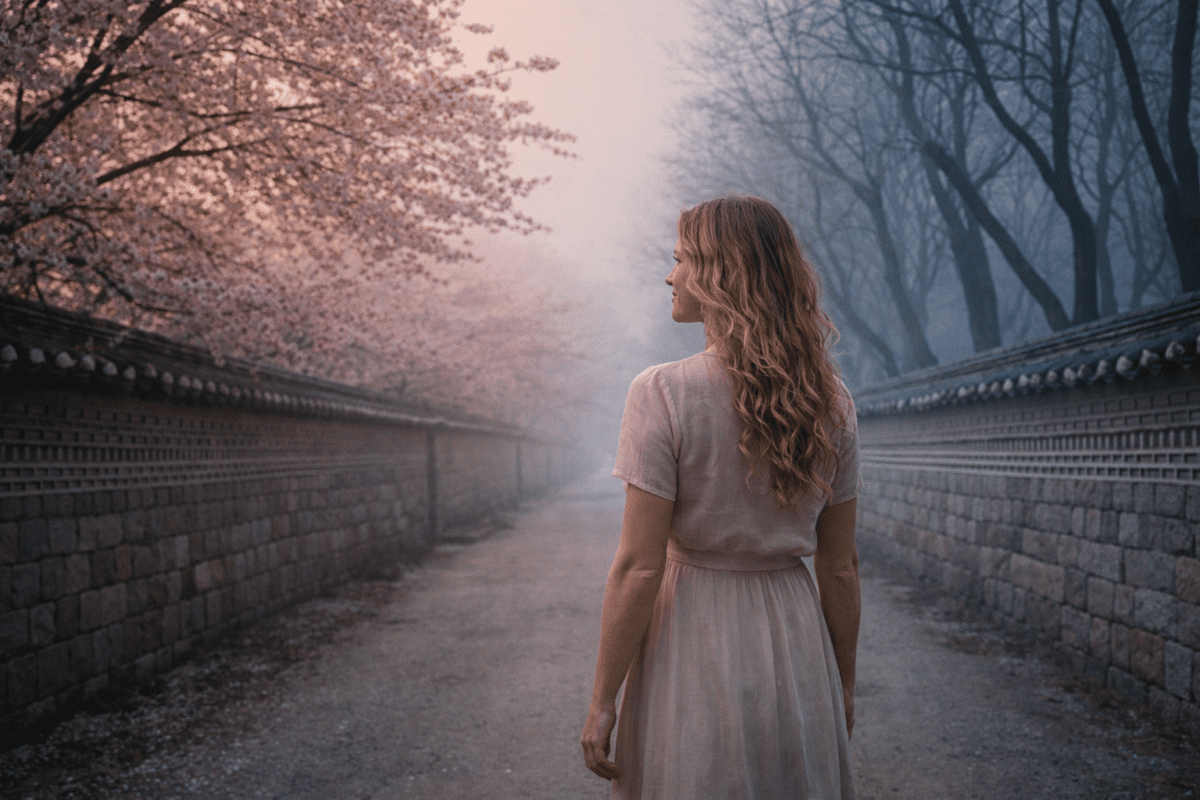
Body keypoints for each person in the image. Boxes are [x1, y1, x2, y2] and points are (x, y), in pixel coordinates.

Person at [580, 195, 861, 799]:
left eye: (681, 259)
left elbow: (638, 565)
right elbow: (839, 565)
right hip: (794, 635)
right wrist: (842, 681)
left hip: (692, 628)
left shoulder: (662, 393)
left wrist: (604, 701)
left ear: (719, 274)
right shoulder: (830, 404)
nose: (669, 274)